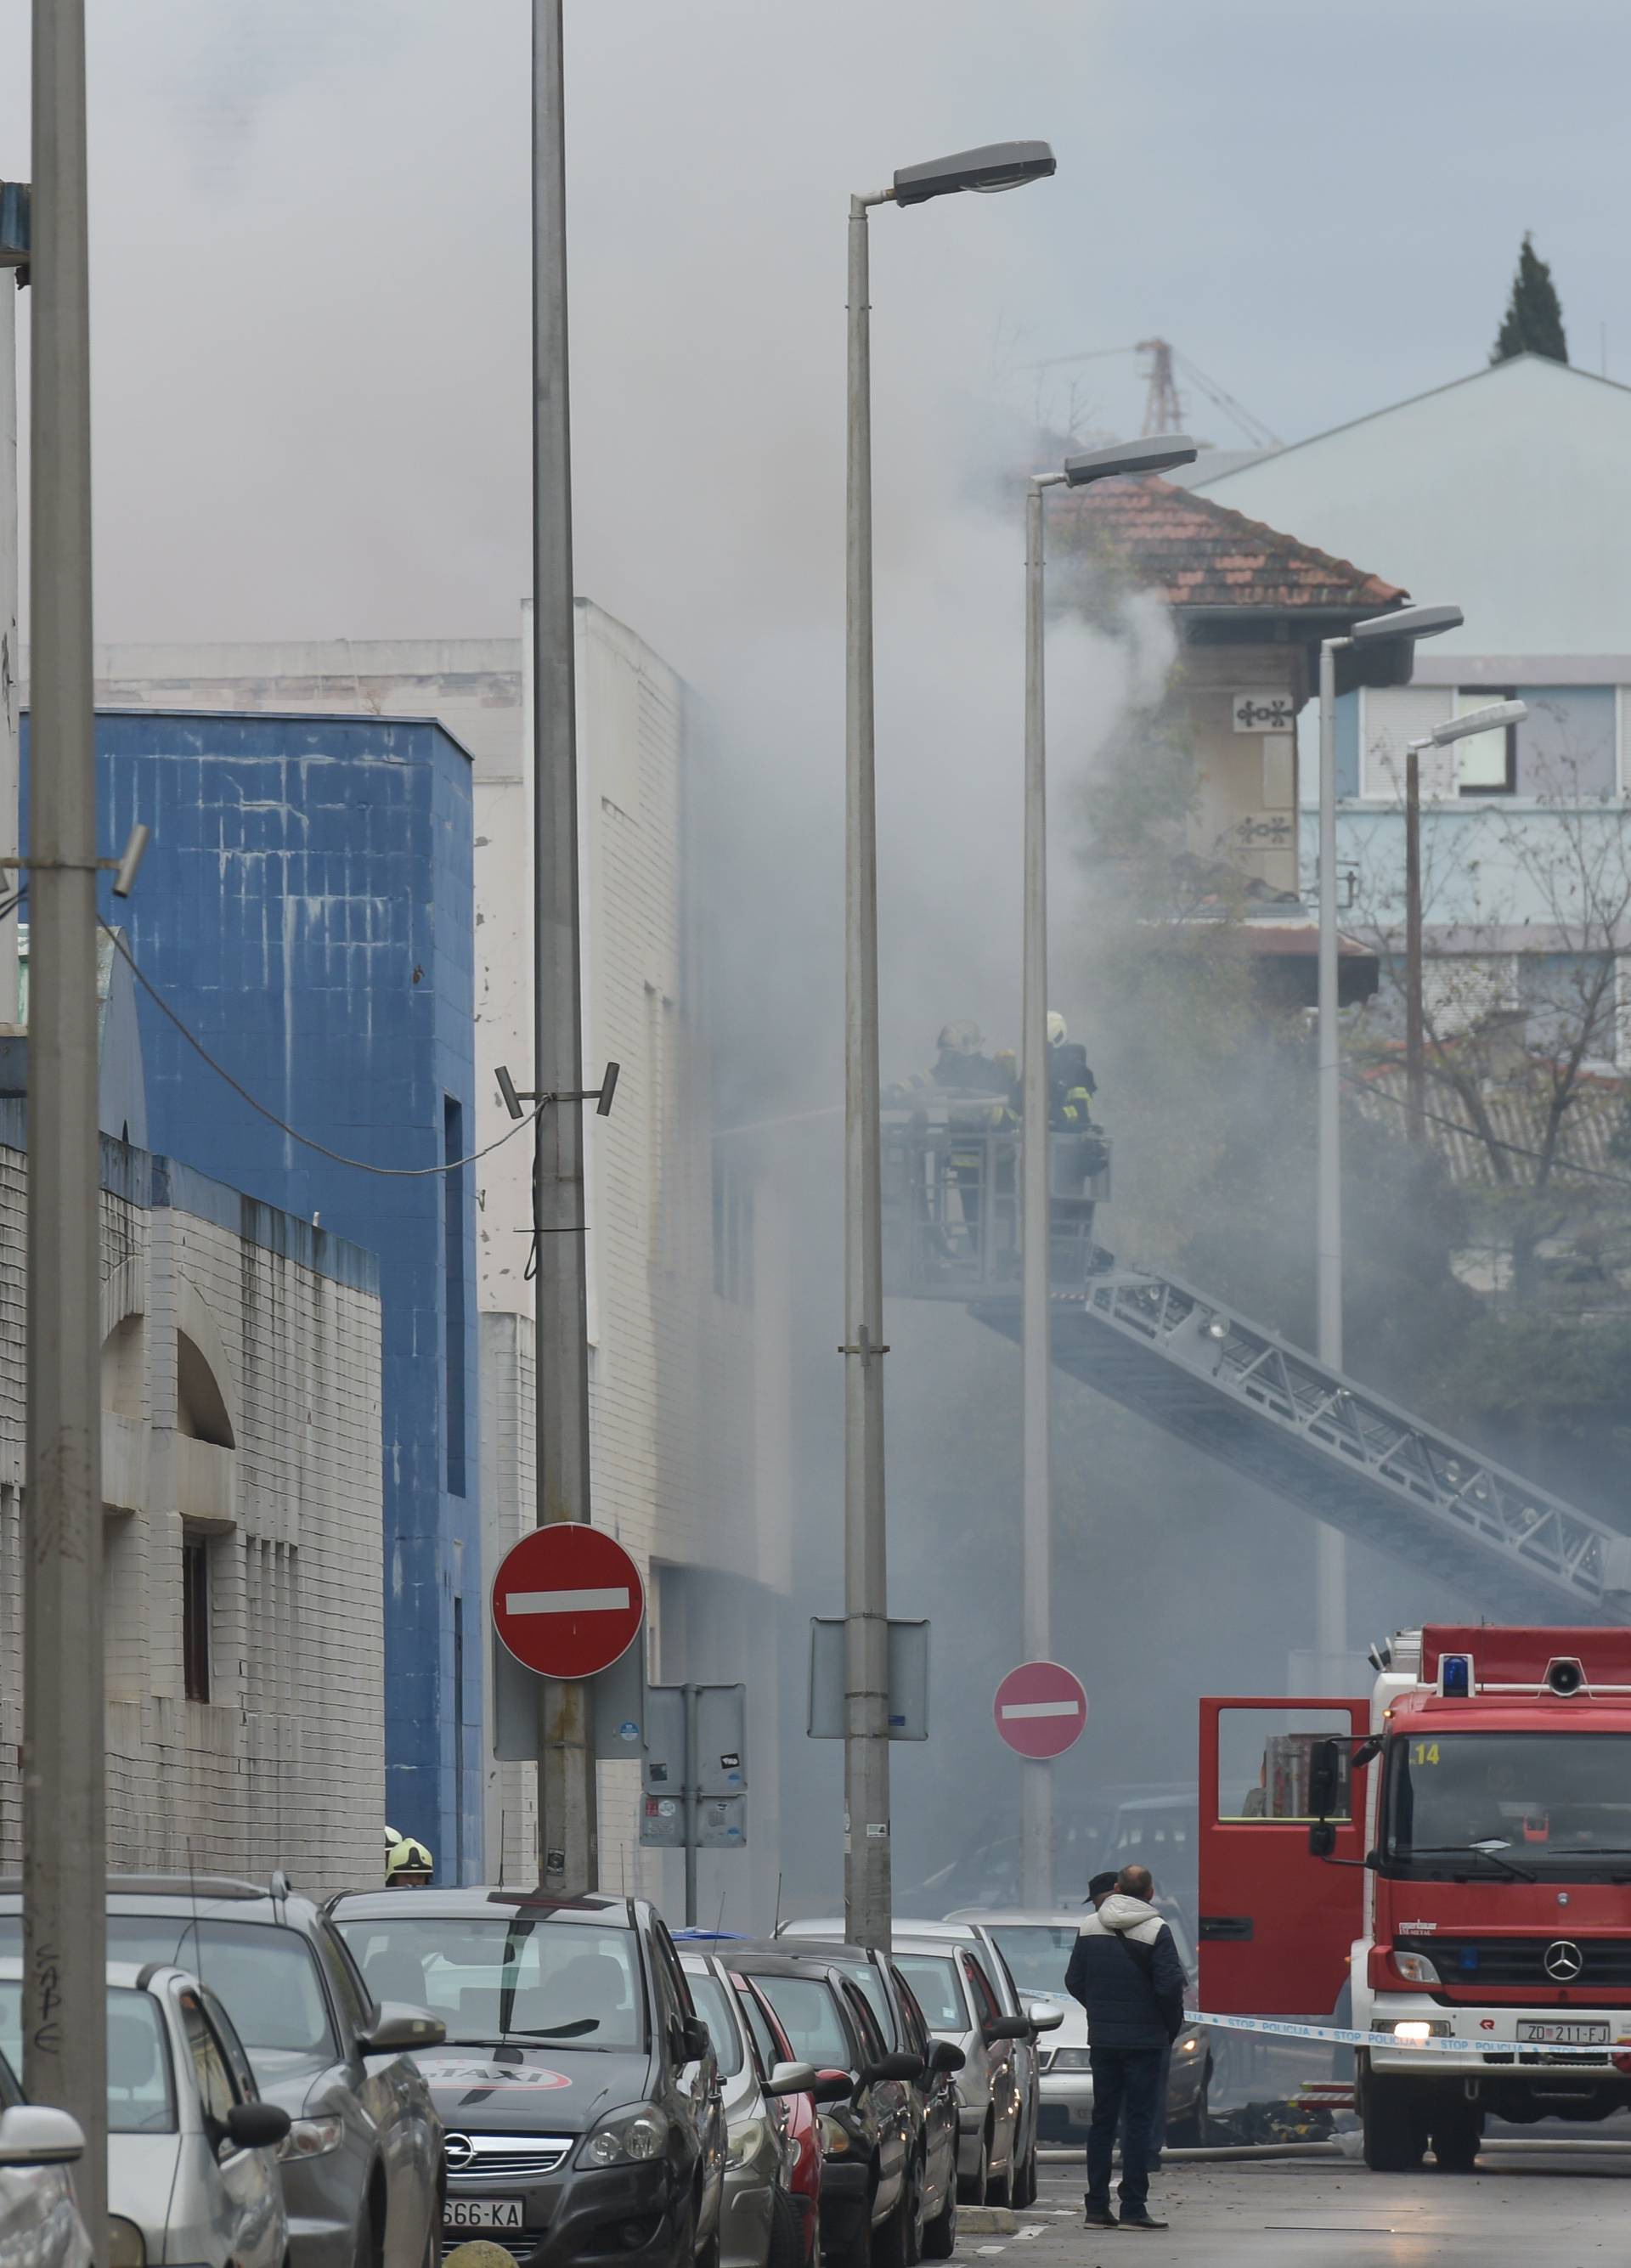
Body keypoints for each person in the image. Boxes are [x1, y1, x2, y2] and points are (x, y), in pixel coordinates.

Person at [1065, 1862, 1185, 2232]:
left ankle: (1097, 2207)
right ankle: (1133, 2207)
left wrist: (1099, 2012)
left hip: (1103, 2041)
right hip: (1145, 2043)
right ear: (1150, 1893)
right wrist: (1168, 2028)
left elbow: (1074, 1980)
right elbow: (1169, 1987)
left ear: (1117, 1888)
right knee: (1137, 2123)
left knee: (1102, 2121)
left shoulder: (1089, 1926)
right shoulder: (1156, 1930)